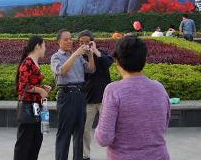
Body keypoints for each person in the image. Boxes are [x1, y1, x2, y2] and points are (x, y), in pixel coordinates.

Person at [95, 36, 170, 159]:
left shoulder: (113, 90)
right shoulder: (159, 88)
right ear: (144, 60)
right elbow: (163, 125)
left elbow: (104, 138)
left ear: (117, 61)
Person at [51, 30, 95, 160]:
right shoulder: (56, 57)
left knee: (79, 132)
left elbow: (91, 69)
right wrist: (75, 54)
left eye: (70, 39)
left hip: (81, 95)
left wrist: (90, 55)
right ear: (58, 42)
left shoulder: (79, 57)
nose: (69, 41)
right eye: (65, 39)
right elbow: (61, 71)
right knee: (64, 133)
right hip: (66, 95)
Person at [13, 36, 52, 160]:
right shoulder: (27, 62)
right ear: (37, 46)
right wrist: (40, 90)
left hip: (36, 107)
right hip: (28, 107)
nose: (45, 49)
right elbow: (23, 86)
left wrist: (42, 88)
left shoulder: (34, 62)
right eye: (44, 46)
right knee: (24, 143)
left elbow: (31, 83)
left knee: (36, 141)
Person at [78, 30, 114, 160]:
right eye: (81, 42)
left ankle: (115, 154)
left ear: (92, 42)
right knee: (84, 130)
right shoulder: (78, 57)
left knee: (111, 128)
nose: (84, 44)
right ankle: (85, 155)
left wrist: (95, 51)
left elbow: (108, 62)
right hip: (88, 99)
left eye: (87, 42)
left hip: (105, 100)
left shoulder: (101, 53)